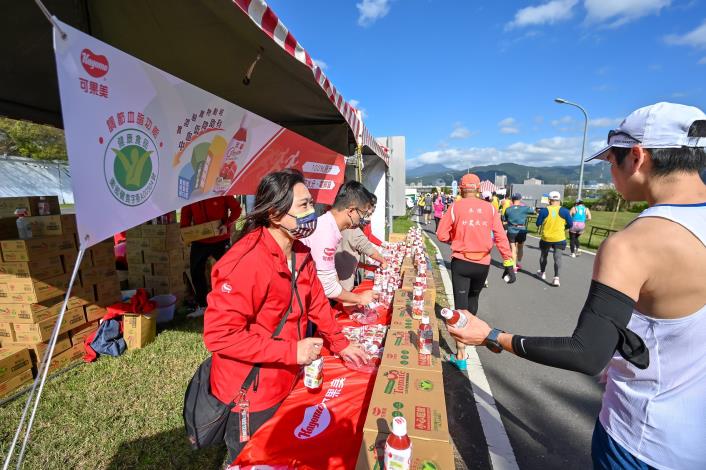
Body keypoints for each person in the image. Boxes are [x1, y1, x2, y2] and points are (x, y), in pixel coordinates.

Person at [447, 102, 706, 470]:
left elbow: (586, 352)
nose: (611, 172)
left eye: (611, 162)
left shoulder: (635, 243)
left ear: (637, 156)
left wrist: (494, 335)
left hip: (643, 439)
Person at [203, 169, 367, 461]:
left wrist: (341, 344)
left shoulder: (300, 251)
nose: (312, 213)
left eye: (312, 204)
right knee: (251, 458)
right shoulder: (245, 262)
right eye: (303, 206)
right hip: (250, 390)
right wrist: (292, 350)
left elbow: (316, 300)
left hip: (287, 376)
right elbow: (219, 336)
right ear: (276, 215)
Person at [436, 173, 516, 371]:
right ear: (479, 188)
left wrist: (455, 239)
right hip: (483, 264)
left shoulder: (455, 207)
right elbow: (500, 236)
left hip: (461, 262)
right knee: (473, 299)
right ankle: (472, 335)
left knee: (460, 308)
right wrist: (508, 262)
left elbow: (441, 234)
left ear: (462, 189)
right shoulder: (490, 208)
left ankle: (461, 354)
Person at [301, 180, 376, 306]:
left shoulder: (329, 226)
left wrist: (345, 300)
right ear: (351, 211)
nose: (362, 219)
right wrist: (359, 298)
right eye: (362, 214)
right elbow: (328, 287)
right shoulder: (326, 232)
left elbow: (330, 274)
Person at [181, 196, 242, 317]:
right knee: (196, 272)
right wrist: (184, 232)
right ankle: (203, 306)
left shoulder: (221, 190)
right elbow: (186, 213)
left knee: (229, 272)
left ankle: (235, 304)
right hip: (199, 240)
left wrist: (227, 224)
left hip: (220, 239)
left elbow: (236, 209)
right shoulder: (193, 193)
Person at [336, 194, 387, 291]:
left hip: (340, 278)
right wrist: (383, 261)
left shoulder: (341, 226)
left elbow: (348, 257)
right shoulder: (353, 229)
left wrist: (366, 266)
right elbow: (368, 249)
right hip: (342, 284)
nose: (369, 212)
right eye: (365, 212)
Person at [536, 191, 573, 287]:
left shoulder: (544, 211)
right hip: (559, 238)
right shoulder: (565, 211)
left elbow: (538, 223)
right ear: (559, 200)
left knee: (543, 256)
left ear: (549, 200)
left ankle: (542, 273)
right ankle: (556, 278)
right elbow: (570, 224)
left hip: (546, 238)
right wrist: (564, 228)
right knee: (558, 258)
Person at [503, 193, 534, 272]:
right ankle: (518, 261)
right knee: (520, 247)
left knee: (513, 248)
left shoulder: (508, 209)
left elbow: (504, 219)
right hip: (521, 230)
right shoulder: (524, 208)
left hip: (511, 230)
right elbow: (533, 211)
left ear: (512, 200)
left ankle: (514, 266)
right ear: (520, 199)